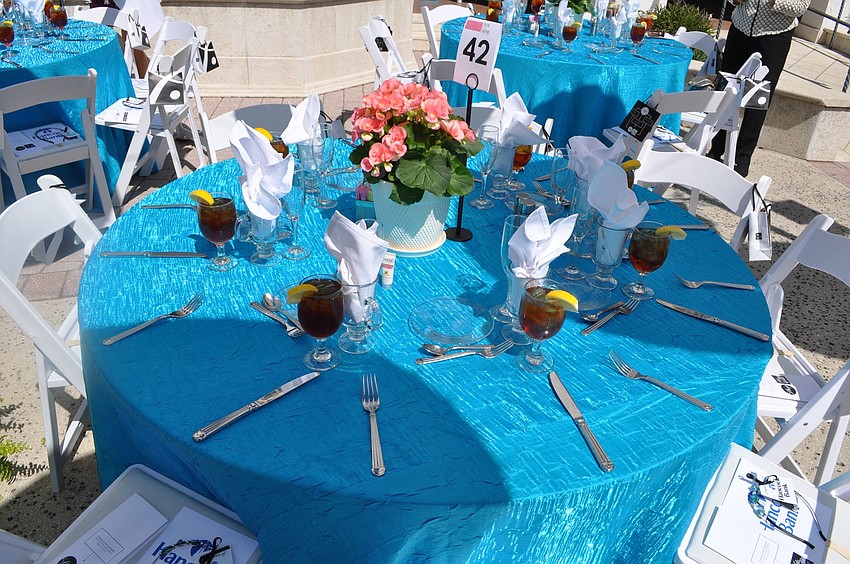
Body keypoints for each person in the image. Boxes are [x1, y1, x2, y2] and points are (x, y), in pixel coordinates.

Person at [707, 0, 811, 177]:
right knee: (727, 90)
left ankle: (742, 158)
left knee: (757, 97)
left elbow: (799, 7)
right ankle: (716, 149)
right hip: (740, 29)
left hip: (774, 37)